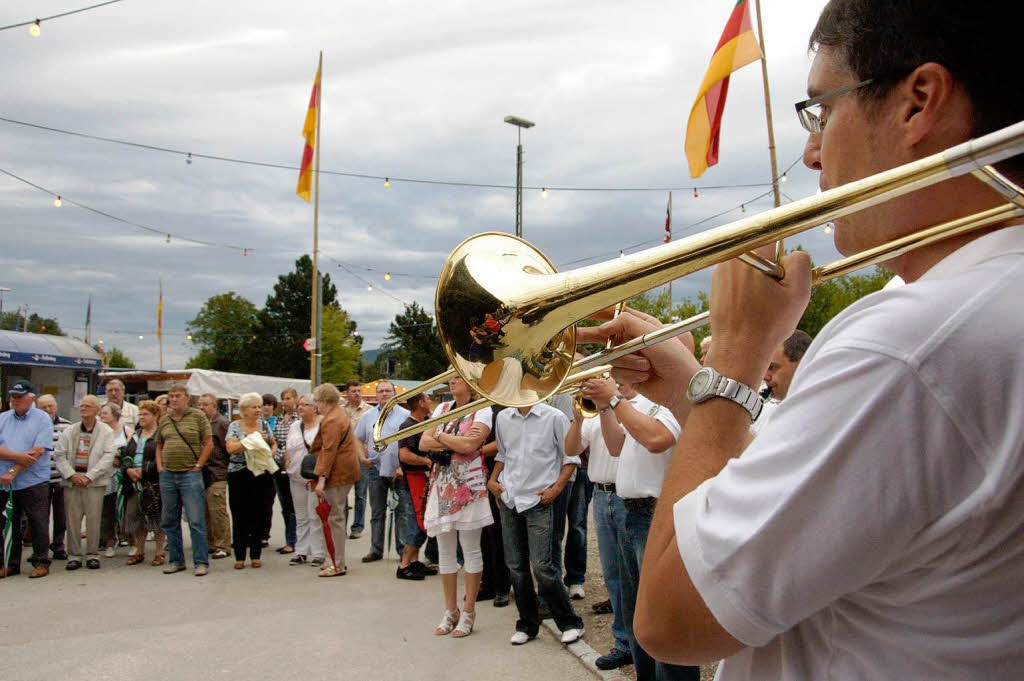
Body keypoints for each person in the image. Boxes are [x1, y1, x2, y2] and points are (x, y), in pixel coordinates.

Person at [579, 2, 1024, 678]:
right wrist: (691, 387)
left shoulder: (904, 344)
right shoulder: (982, 299)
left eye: (822, 109)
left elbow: (669, 617)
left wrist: (733, 356)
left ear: (918, 102)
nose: (813, 152)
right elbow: (827, 510)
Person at [580, 377, 697, 681]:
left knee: (663, 618)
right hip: (630, 513)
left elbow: (656, 439)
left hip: (656, 512)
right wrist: (605, 406)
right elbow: (616, 447)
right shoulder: (637, 405)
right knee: (636, 613)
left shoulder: (671, 399)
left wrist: (615, 401)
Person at [489, 399, 584, 645]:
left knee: (543, 566)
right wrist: (493, 479)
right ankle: (527, 624)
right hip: (510, 498)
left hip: (539, 499)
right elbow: (503, 453)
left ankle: (570, 622)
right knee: (516, 566)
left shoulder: (554, 417)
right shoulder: (503, 418)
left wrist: (556, 490)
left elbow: (571, 459)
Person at [418, 377, 494, 637]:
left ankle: (469, 609)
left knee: (471, 549)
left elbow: (471, 445)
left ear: (471, 382)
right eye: (449, 378)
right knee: (445, 551)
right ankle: (450, 609)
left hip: (469, 486)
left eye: (457, 377)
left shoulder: (482, 408)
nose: (451, 382)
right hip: (442, 484)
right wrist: (450, 440)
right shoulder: (442, 409)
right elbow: (422, 443)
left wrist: (439, 435)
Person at [565, 377, 632, 671]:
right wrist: (577, 420)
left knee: (633, 576)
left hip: (628, 495)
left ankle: (638, 641)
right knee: (613, 575)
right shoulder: (595, 414)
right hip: (602, 496)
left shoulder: (638, 406)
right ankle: (623, 641)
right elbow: (571, 448)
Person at [53, 395, 116, 571]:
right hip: (73, 482)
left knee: (94, 520)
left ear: (97, 410)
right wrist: (71, 475)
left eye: (88, 406)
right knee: (72, 520)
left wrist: (90, 476)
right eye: (82, 406)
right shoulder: (70, 430)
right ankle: (74, 555)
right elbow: (60, 455)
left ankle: (92, 554)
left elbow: (108, 456)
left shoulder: (106, 431)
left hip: (94, 483)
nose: (83, 409)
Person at [155, 384, 212, 577]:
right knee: (169, 520)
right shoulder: (165, 420)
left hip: (190, 474)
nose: (174, 399)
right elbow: (159, 444)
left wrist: (198, 466)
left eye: (178, 396)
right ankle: (176, 561)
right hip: (168, 475)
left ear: (187, 398)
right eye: (171, 396)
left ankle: (201, 561)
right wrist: (160, 467)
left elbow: (208, 443)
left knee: (196, 520)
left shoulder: (198, 416)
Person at [0, 381, 55, 578]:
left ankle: (41, 562)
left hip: (33, 481)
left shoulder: (42, 419)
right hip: (4, 482)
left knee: (38, 522)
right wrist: (18, 457)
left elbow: (37, 451)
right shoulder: (3, 418)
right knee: (7, 524)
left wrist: (14, 469)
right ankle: (9, 563)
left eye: (19, 396)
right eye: (12, 396)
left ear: (31, 398)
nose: (14, 400)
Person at [352, 380, 409, 562]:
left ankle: (402, 550)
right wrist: (362, 457)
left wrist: (402, 467)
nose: (384, 394)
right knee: (377, 512)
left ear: (394, 394)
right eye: (381, 391)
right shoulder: (368, 417)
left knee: (401, 512)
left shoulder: (405, 415)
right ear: (376, 395)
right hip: (375, 469)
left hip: (398, 471)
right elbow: (357, 439)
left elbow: (412, 442)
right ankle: (376, 550)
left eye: (388, 391)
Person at [311, 383, 362, 577]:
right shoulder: (339, 414)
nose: (316, 405)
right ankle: (332, 559)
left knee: (334, 518)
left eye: (317, 401)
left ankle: (337, 562)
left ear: (324, 401)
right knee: (335, 517)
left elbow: (328, 450)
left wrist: (321, 479)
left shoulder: (331, 419)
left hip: (337, 473)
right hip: (345, 471)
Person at [225, 392, 277, 570]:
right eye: (254, 407)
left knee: (260, 513)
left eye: (259, 406)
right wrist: (252, 440)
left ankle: (256, 554)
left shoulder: (263, 424)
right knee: (240, 514)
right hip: (239, 473)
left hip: (261, 473)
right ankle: (239, 555)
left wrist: (272, 450)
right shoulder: (234, 426)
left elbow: (273, 442)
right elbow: (231, 448)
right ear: (244, 410)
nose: (258, 410)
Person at [395, 393, 438, 580]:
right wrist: (426, 461)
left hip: (423, 479)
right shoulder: (407, 426)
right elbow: (404, 455)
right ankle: (404, 565)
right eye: (427, 399)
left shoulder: (427, 422)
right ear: (420, 403)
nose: (430, 402)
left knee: (423, 522)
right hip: (413, 480)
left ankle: (414, 561)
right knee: (416, 522)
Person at [121, 400, 166, 566]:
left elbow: (163, 457)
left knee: (156, 516)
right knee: (136, 516)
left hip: (153, 482)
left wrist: (145, 470)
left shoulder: (161, 434)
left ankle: (160, 552)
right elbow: (125, 454)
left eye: (145, 414)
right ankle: (139, 551)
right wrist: (128, 469)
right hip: (133, 482)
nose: (142, 417)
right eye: (140, 414)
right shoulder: (135, 434)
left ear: (155, 416)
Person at [284, 393, 325, 566]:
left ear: (315, 407)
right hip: (295, 476)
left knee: (315, 515)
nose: (300, 407)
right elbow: (288, 448)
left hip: (313, 477)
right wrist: (286, 463)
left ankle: (318, 552)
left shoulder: (322, 425)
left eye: (305, 404)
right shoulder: (294, 426)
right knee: (300, 516)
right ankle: (301, 551)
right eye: (299, 404)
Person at [35, 394, 71, 561]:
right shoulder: (34, 425)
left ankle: (58, 546)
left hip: (60, 479)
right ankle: (40, 549)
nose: (48, 410)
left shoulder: (67, 426)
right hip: (40, 480)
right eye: (44, 407)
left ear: (56, 407)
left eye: (50, 406)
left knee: (61, 516)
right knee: (40, 517)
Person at [197, 393, 231, 559]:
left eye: (205, 404)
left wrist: (225, 469)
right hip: (202, 473)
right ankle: (210, 543)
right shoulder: (199, 422)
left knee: (217, 510)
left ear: (214, 406)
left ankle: (223, 544)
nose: (201, 407)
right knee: (204, 511)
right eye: (199, 404)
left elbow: (228, 449)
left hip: (218, 472)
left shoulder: (222, 424)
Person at [98, 402, 131, 557]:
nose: (102, 416)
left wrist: (121, 458)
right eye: (101, 413)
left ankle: (129, 539)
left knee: (125, 509)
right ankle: (109, 541)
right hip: (105, 476)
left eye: (105, 413)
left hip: (122, 476)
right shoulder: (99, 432)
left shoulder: (126, 431)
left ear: (115, 415)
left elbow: (132, 452)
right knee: (107, 510)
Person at [342, 379, 372, 539]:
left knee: (360, 494)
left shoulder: (369, 411)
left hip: (362, 457)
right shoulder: (341, 411)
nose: (357, 394)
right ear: (346, 393)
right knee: (342, 494)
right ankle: (342, 525)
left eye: (359, 391)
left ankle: (358, 527)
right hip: (344, 458)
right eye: (353, 391)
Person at [271, 388, 299, 555]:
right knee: (285, 505)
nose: (285, 402)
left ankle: (294, 540)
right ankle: (289, 538)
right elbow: (275, 440)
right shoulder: (280, 418)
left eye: (288, 398)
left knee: (295, 504)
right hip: (278, 463)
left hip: (293, 463)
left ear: (295, 399)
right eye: (283, 399)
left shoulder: (299, 418)